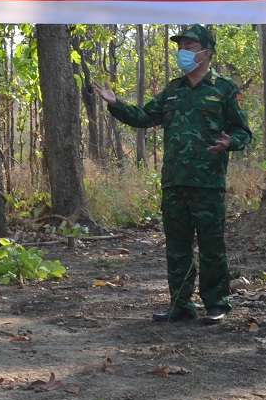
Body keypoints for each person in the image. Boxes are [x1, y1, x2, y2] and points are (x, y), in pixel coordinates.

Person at [93, 25, 252, 323]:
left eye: (189, 47)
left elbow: (243, 132)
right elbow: (144, 117)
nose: (183, 52)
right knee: (177, 247)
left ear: (206, 52)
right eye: (181, 47)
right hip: (175, 181)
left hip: (208, 183)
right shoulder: (173, 90)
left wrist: (231, 142)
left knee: (211, 245)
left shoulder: (225, 89)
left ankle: (216, 304)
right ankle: (180, 304)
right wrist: (116, 105)